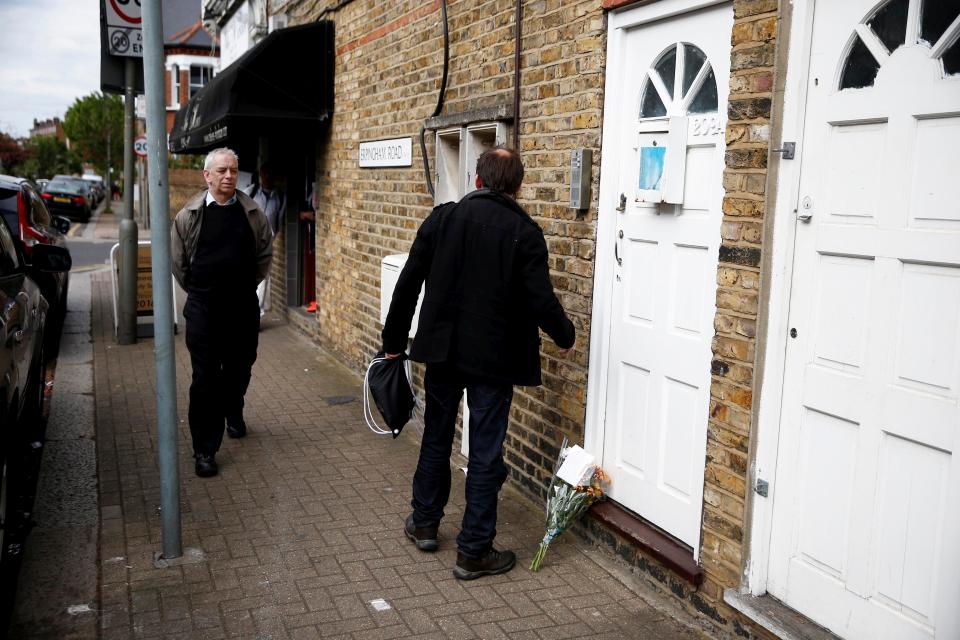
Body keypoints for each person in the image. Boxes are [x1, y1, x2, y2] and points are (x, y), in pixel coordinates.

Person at [381, 146, 575, 580]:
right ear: (518, 187)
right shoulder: (525, 233)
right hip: (494, 359)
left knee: (436, 435)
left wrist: (393, 342)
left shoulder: (443, 219)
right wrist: (565, 336)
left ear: (477, 181)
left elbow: (408, 284)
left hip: (444, 353)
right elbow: (540, 300)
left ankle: (426, 524)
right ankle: (473, 551)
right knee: (486, 451)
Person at [171, 147, 273, 478]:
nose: (229, 175)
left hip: (242, 306)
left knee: (240, 368)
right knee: (205, 378)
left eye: (233, 169)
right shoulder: (189, 215)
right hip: (203, 308)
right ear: (208, 176)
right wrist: (202, 292)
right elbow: (179, 264)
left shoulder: (253, 213)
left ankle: (234, 407)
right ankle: (205, 449)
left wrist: (243, 288)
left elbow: (263, 256)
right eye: (222, 170)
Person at [244, 161, 286, 317]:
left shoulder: (281, 197)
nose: (267, 177)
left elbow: (280, 221)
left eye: (270, 174)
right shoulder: (251, 192)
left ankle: (255, 313)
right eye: (264, 174)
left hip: (266, 243)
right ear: (260, 175)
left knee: (263, 279)